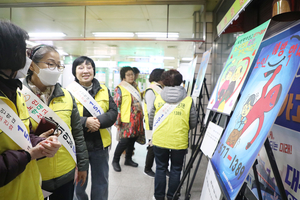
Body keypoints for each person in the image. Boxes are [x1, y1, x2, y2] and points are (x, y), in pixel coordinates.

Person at [0, 20, 61, 200]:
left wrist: (38, 141)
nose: (28, 59)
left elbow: (22, 135)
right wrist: (29, 154)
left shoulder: (15, 93)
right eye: (23, 51)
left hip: (30, 189)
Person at [23, 44, 89, 200]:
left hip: (65, 173)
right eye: (50, 64)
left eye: (59, 66)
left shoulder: (66, 96)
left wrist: (83, 165)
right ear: (32, 65)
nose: (55, 69)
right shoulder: (19, 96)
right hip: (33, 173)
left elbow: (77, 133)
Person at [70, 56, 117, 200]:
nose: (85, 71)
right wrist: (85, 122)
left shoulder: (103, 89)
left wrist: (97, 122)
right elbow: (65, 116)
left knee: (101, 181)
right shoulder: (68, 91)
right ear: (75, 71)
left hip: (100, 144)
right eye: (81, 67)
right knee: (79, 183)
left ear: (94, 70)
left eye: (89, 67)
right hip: (77, 145)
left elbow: (113, 112)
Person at [149, 69, 197, 200]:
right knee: (176, 169)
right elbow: (193, 122)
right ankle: (172, 196)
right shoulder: (188, 100)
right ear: (180, 81)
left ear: (164, 81)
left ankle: (158, 196)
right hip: (179, 140)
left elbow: (151, 119)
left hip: (159, 139)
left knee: (160, 168)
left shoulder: (158, 98)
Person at [112, 66, 145, 172]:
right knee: (124, 141)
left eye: (132, 74)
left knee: (133, 139)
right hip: (126, 119)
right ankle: (115, 161)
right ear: (123, 77)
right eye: (128, 75)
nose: (131, 76)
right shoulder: (120, 88)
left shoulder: (135, 86)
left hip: (137, 119)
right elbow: (116, 105)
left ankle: (128, 159)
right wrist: (117, 121)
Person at [143, 68, 165, 178]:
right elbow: (151, 109)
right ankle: (147, 168)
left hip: (160, 122)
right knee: (152, 147)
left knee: (161, 146)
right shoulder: (151, 90)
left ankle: (164, 169)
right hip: (152, 124)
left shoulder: (160, 88)